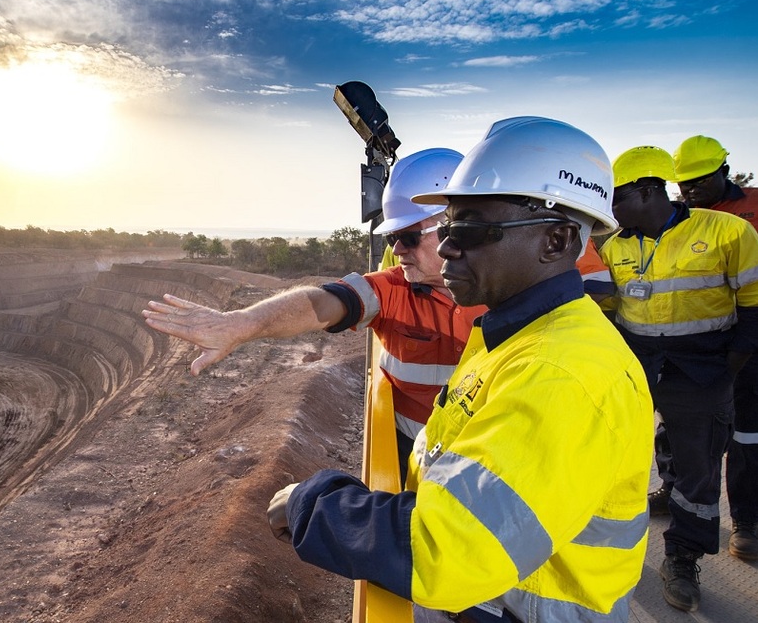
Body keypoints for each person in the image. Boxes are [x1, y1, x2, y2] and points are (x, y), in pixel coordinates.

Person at [268, 116, 653, 622]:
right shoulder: (516, 336)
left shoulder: (561, 374)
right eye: (446, 227)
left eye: (470, 229)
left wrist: (310, 503)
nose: (447, 247)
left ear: (556, 242)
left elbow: (445, 552)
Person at [143, 148, 483, 485]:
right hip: (413, 468)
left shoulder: (514, 298)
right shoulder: (391, 290)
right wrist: (241, 324)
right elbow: (322, 303)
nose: (397, 251)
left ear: (456, 228)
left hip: (488, 467)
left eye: (408, 237)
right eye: (393, 238)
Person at [599, 145, 758, 612]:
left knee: (700, 468)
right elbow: (607, 316)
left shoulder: (728, 231)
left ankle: (683, 556)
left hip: (704, 369)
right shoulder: (614, 247)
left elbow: (753, 306)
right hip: (640, 366)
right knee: (619, 454)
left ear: (649, 192)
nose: (611, 210)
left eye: (617, 198)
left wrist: (729, 370)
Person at [673, 135, 758, 561]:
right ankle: (672, 490)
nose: (690, 189)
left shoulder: (754, 206)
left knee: (746, 433)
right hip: (698, 346)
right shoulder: (681, 218)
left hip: (749, 338)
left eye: (699, 180)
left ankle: (747, 520)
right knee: (680, 426)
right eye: (683, 183)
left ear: (724, 170)